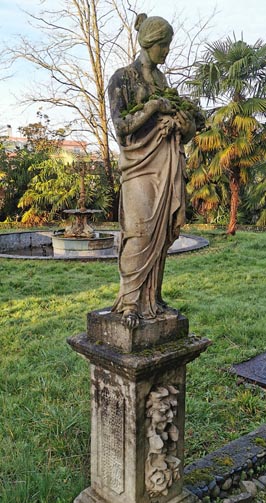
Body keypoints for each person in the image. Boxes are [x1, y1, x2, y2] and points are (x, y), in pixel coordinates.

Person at [108, 13, 197, 329]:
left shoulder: (162, 81)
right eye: (164, 45)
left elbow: (178, 129)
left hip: (166, 162)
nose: (167, 51)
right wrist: (152, 107)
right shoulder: (123, 78)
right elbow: (120, 128)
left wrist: (185, 129)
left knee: (159, 235)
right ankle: (130, 302)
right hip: (138, 166)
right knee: (140, 230)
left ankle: (152, 301)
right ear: (149, 42)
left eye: (169, 45)